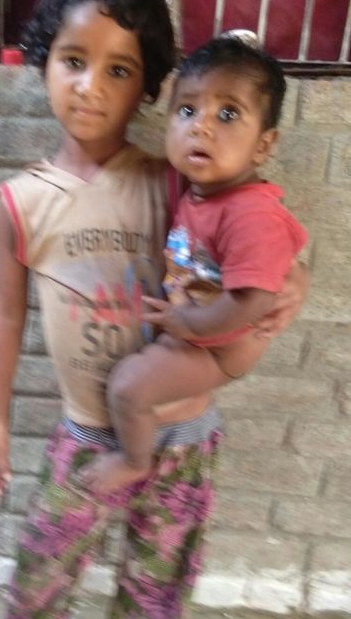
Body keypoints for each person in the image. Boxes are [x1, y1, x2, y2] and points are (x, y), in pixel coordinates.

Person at [0, 0, 307, 619]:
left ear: (147, 86)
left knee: (159, 571)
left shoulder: (174, 178)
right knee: (48, 551)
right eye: (73, 61)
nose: (91, 87)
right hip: (88, 429)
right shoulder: (22, 201)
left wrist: (299, 280)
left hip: (182, 428)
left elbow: (257, 232)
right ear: (43, 60)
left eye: (119, 70)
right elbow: (7, 315)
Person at [82, 36, 308, 496]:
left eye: (228, 114)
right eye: (187, 110)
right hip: (199, 330)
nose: (201, 126)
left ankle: (133, 460)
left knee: (128, 388)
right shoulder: (202, 191)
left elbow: (253, 299)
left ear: (264, 145)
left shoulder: (250, 212)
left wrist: (187, 324)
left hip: (220, 348)